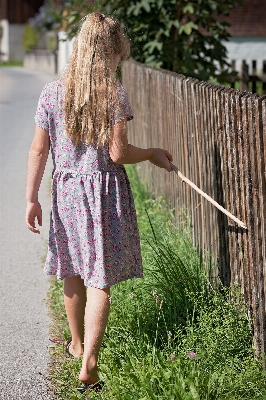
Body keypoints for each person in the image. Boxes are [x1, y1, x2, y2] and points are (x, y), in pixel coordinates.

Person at [25, 11, 173, 394]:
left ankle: (76, 344)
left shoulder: (52, 93)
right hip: (103, 195)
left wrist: (31, 198)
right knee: (100, 279)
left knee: (71, 268)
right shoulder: (114, 95)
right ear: (110, 53)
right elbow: (119, 153)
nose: (120, 62)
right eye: (119, 56)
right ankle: (89, 359)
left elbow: (39, 150)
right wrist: (153, 152)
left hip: (66, 193)